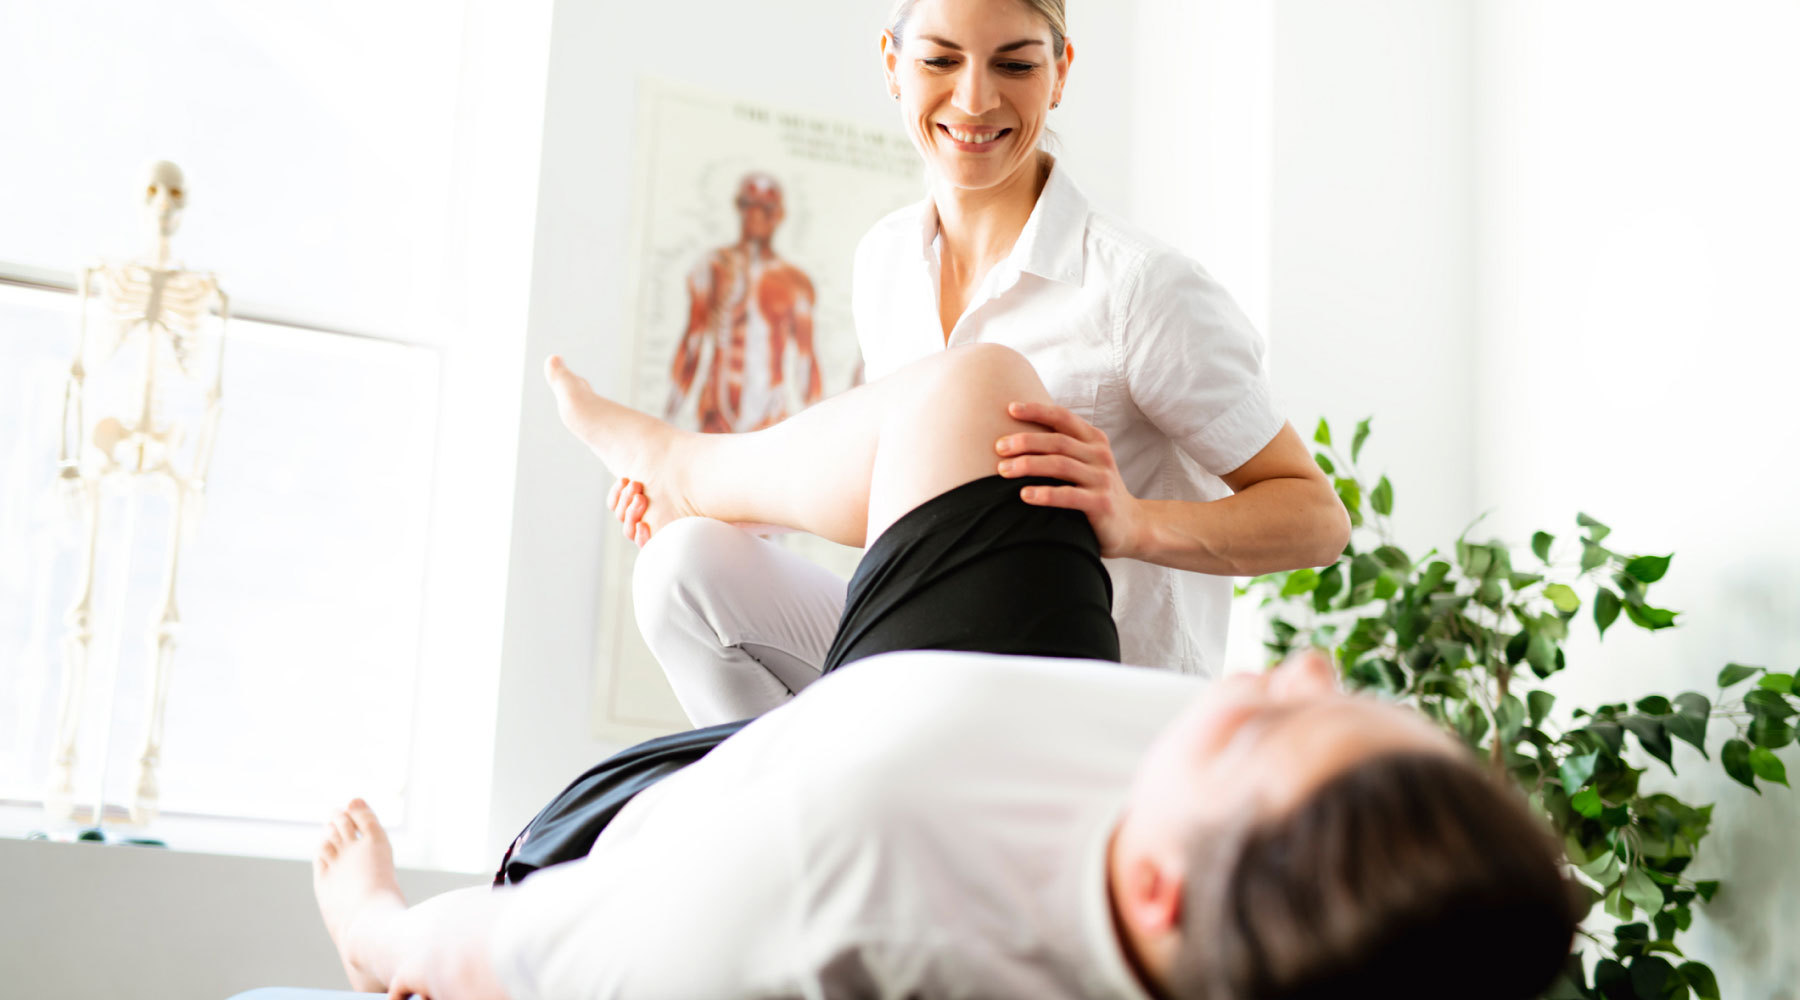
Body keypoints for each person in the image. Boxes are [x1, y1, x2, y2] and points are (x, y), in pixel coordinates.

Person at [308, 345, 1576, 1000]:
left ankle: (694, 494)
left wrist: (378, 928)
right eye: (1355, 703)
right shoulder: (1246, 885)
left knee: (688, 581)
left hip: (674, 839)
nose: (1294, 669)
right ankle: (694, 467)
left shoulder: (827, 865)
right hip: (929, 718)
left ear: (1156, 884)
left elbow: (510, 955)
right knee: (983, 399)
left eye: (1272, 734)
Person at [610, 0, 1350, 728]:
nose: (974, 98)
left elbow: (1317, 519)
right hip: (932, 651)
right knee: (683, 568)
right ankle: (793, 802)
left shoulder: (1139, 289)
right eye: (939, 59)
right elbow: (908, 512)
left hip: (1092, 703)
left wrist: (1134, 523)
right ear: (892, 65)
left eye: (1015, 63)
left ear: (1059, 72)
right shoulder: (887, 259)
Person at [665, 173, 823, 434]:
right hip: (716, 415)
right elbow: (692, 344)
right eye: (748, 205)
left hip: (770, 422)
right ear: (739, 208)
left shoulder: (795, 284)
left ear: (779, 215)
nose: (756, 215)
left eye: (766, 208)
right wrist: (667, 419)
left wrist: (821, 432)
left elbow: (806, 361)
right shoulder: (712, 267)